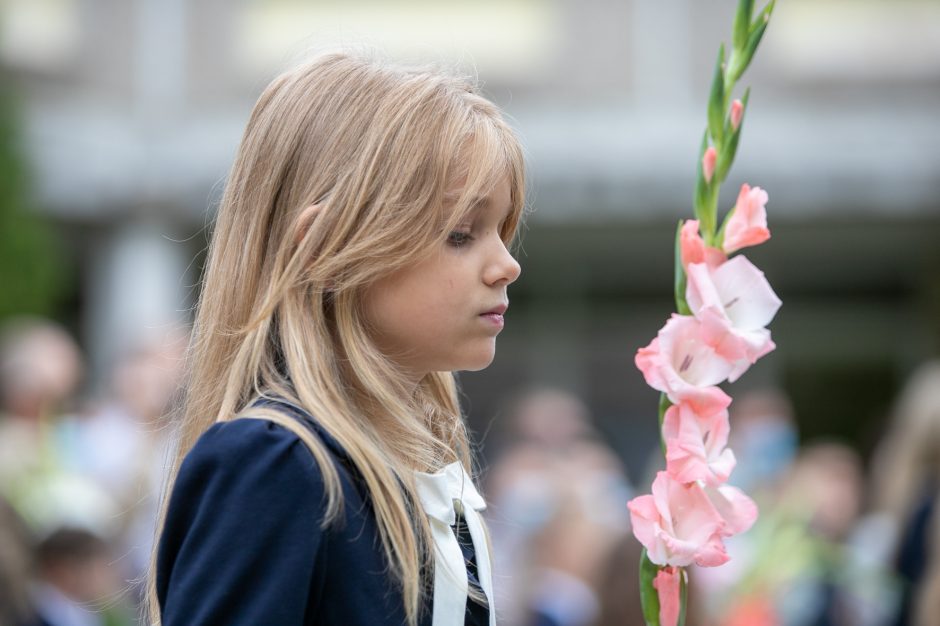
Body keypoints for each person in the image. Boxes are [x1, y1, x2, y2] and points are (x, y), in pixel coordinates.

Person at [146, 51, 525, 626]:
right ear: (323, 245)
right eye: (460, 234)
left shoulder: (415, 465)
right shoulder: (274, 463)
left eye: (501, 230)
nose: (506, 265)